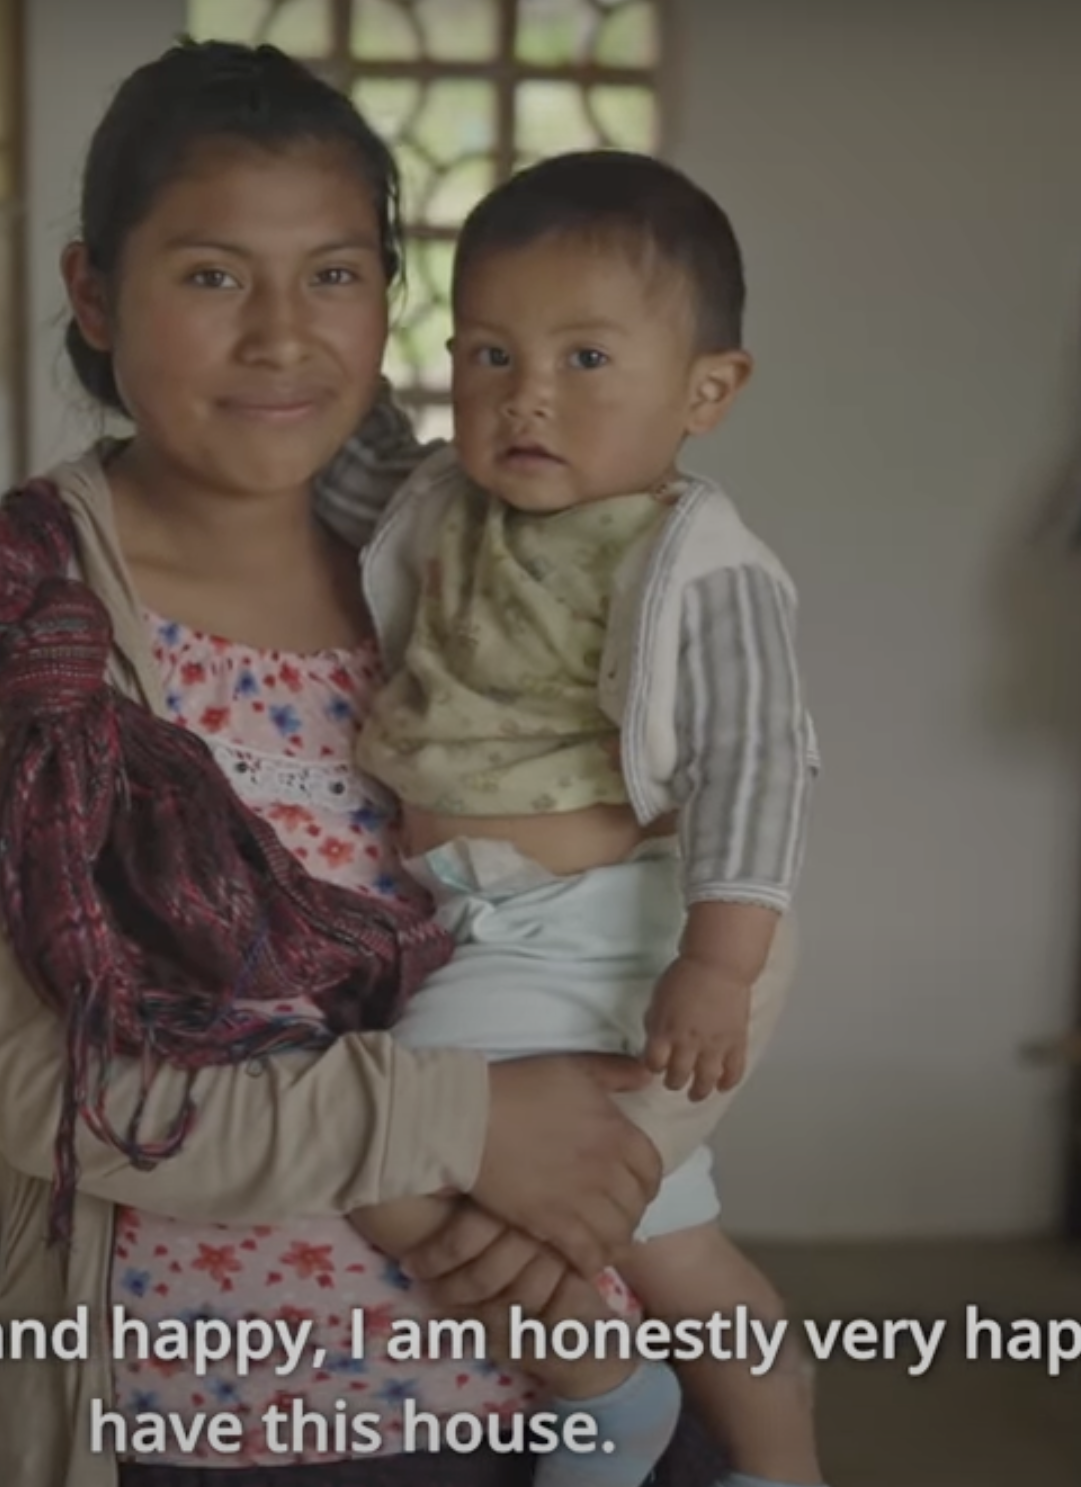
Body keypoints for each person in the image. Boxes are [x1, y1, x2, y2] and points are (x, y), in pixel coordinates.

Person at [0, 41, 804, 1487]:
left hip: (577, 1386)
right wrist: (464, 1129)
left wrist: (587, 1158)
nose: (283, 338)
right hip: (214, 1427)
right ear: (92, 293)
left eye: (335, 274)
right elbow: (49, 1099)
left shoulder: (482, 546)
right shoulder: (12, 624)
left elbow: (722, 897)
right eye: (207, 276)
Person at [336, 152, 825, 1487]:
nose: (524, 395)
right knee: (672, 1249)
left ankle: (606, 1396)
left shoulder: (698, 564)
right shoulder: (445, 501)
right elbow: (326, 449)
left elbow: (752, 766)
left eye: (586, 358)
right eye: (486, 354)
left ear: (706, 391)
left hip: (599, 941)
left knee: (384, 1157)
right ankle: (777, 1468)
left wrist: (715, 967)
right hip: (485, 929)